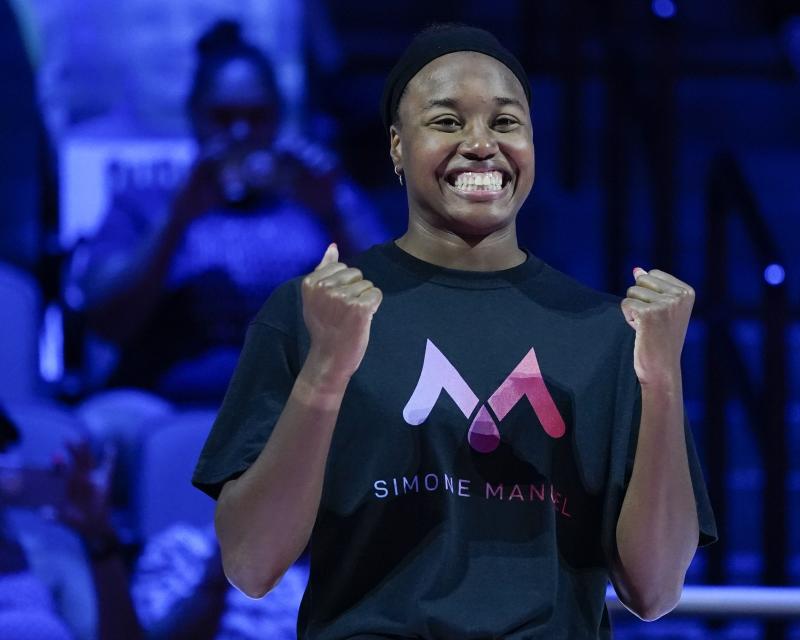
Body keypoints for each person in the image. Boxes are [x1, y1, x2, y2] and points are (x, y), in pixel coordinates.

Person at [193, 24, 717, 639]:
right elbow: (251, 564)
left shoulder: (606, 332)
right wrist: (325, 372)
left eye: (505, 122)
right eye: (446, 121)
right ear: (395, 146)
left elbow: (654, 591)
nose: (480, 145)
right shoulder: (310, 314)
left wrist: (662, 379)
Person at [68, 20, 388, 403]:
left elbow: (395, 310)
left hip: (300, 403)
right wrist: (175, 220)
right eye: (223, 117)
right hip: (168, 403)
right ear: (194, 114)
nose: (240, 133)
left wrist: (334, 214)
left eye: (257, 117)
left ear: (279, 116)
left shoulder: (320, 194)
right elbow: (106, 320)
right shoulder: (147, 199)